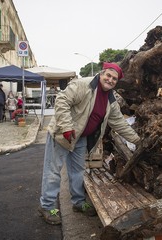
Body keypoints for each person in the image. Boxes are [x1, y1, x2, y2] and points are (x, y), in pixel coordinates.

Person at [38, 62, 141, 225]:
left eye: (114, 79)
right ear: (101, 74)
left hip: (81, 138)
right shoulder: (83, 85)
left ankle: (78, 203)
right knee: (53, 171)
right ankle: (47, 206)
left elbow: (120, 123)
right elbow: (62, 100)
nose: (110, 80)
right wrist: (65, 126)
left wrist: (139, 141)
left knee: (78, 171)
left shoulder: (110, 100)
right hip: (62, 135)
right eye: (108, 75)